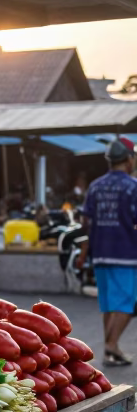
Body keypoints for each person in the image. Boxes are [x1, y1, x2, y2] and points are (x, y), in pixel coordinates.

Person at [78, 137, 137, 366]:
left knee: (110, 304)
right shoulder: (132, 187)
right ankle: (111, 346)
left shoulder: (95, 186)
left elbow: (86, 221)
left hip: (100, 253)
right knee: (127, 303)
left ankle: (110, 352)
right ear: (128, 159)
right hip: (125, 253)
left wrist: (86, 251)